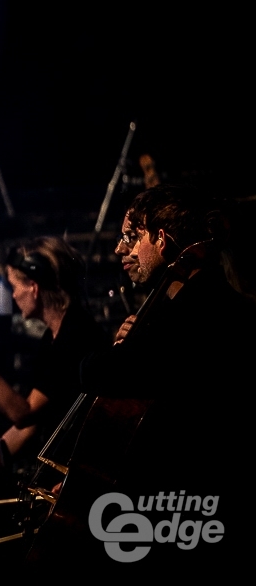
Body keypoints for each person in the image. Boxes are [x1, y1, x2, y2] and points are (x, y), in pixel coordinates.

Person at [67, 184, 248, 576]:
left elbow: (99, 372)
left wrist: (121, 349)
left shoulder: (186, 317)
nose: (121, 250)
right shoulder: (215, 304)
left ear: (162, 240)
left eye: (133, 237)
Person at [0, 236, 107, 500]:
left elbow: (23, 414)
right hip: (57, 474)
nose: (13, 295)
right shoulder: (54, 336)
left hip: (75, 483)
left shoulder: (75, 338)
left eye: (15, 286)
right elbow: (29, 426)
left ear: (34, 287)